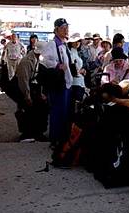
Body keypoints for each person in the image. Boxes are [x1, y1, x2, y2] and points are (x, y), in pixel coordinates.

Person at [40, 18, 73, 146]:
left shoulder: (63, 44)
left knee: (63, 112)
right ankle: (55, 139)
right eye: (63, 28)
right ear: (56, 30)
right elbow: (44, 59)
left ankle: (61, 138)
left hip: (65, 83)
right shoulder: (52, 44)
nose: (66, 30)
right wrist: (57, 65)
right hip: (58, 83)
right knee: (57, 111)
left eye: (67, 28)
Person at [13, 41, 48, 142]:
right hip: (24, 90)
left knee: (38, 110)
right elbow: (23, 81)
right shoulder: (26, 62)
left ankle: (37, 133)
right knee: (26, 112)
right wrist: (27, 95)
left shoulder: (36, 60)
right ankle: (26, 134)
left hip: (32, 89)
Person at [67, 33, 87, 110]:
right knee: (75, 105)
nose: (77, 43)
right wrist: (80, 71)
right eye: (75, 41)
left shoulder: (76, 52)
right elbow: (72, 70)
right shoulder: (70, 53)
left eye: (79, 41)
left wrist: (82, 71)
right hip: (75, 82)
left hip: (80, 82)